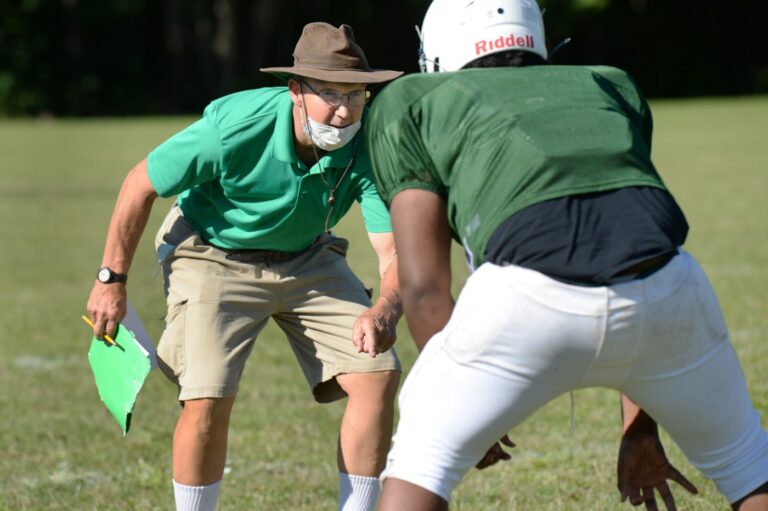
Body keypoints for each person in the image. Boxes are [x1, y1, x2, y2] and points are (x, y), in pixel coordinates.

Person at [365, 1, 768, 510]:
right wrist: (640, 427)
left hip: (526, 293)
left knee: (420, 465)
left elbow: (424, 287)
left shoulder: (412, 101)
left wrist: (461, 404)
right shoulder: (606, 83)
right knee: (750, 468)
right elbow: (622, 236)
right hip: (670, 286)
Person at [86, 22, 404, 511]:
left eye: (356, 96)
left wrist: (384, 307)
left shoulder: (366, 142)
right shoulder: (235, 126)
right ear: (295, 90)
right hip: (213, 252)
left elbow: (394, 253)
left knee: (378, 372)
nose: (344, 112)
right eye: (329, 95)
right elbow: (140, 184)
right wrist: (111, 279)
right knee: (208, 392)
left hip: (309, 257)